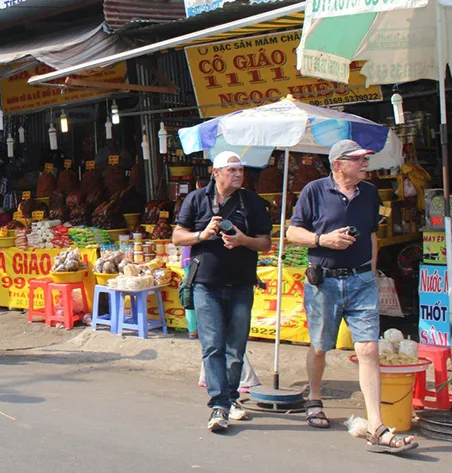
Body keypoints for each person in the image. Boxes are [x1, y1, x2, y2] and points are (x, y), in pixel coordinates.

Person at [286, 140, 417, 454]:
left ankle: (376, 426)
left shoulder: (370, 193)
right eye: (357, 160)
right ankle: (314, 398)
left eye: (364, 159)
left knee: (369, 349)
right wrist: (323, 240)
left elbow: (372, 234)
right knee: (320, 347)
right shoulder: (314, 191)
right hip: (324, 282)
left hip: (361, 281)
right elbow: (292, 233)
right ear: (338, 164)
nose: (364, 164)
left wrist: (370, 272)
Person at [172, 151, 272, 433]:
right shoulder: (196, 199)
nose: (238, 175)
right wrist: (201, 235)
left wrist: (242, 240)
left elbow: (265, 243)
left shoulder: (251, 201)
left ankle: (228, 398)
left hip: (241, 284)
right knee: (213, 345)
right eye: (231, 170)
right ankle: (219, 403)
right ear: (216, 173)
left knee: (236, 348)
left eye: (240, 170)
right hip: (206, 284)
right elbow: (177, 235)